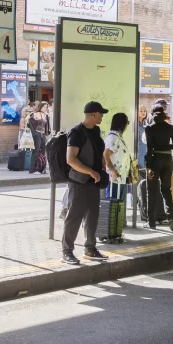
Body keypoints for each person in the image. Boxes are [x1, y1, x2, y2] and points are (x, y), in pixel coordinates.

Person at [61, 101, 110, 266]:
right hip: (79, 182)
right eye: (101, 114)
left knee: (92, 216)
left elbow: (99, 152)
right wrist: (90, 171)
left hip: (94, 182)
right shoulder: (76, 133)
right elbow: (71, 159)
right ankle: (67, 251)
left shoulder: (95, 131)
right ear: (92, 114)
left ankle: (90, 248)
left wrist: (103, 165)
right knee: (74, 216)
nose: (102, 116)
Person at [144, 105, 173, 231]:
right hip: (168, 160)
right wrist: (166, 146)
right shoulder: (171, 128)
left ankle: (151, 222)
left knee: (151, 190)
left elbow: (149, 149)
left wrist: (148, 166)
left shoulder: (149, 129)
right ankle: (171, 218)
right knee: (167, 189)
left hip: (154, 160)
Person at [103, 113, 132, 201]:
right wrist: (112, 170)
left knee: (119, 207)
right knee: (113, 207)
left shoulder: (118, 137)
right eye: (127, 123)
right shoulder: (113, 137)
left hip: (121, 178)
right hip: (114, 179)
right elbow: (106, 154)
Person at [28, 102, 51, 175]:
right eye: (44, 107)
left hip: (43, 134)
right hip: (37, 133)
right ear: (40, 107)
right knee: (36, 151)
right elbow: (30, 124)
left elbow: (47, 125)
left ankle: (42, 169)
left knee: (43, 151)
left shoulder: (45, 115)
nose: (45, 108)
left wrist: (47, 133)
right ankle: (32, 169)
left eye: (46, 107)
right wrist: (34, 133)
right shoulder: (34, 114)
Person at [136, 105, 148, 170]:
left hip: (145, 149)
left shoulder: (145, 123)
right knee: (141, 170)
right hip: (139, 150)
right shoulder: (135, 124)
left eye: (144, 111)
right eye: (141, 111)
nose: (143, 112)